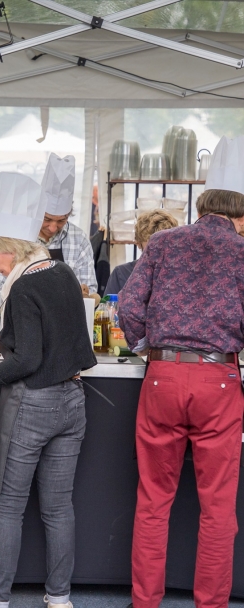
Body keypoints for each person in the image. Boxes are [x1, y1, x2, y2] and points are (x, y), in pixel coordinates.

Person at [0, 172, 97, 608]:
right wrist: (4, 339)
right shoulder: (62, 272)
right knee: (58, 508)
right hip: (73, 403)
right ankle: (60, 598)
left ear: (10, 247)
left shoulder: (24, 285)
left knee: (8, 507)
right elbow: (57, 338)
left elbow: (29, 360)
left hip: (32, 404)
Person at [119, 135, 244, 608]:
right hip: (218, 381)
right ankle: (210, 604)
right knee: (217, 508)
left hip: (162, 377)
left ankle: (144, 602)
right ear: (241, 215)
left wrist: (150, 348)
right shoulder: (242, 253)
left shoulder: (164, 242)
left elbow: (129, 307)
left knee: (153, 501)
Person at [38, 153, 99, 303]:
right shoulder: (19, 236)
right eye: (47, 219)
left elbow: (90, 288)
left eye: (61, 220)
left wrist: (85, 295)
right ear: (36, 210)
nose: (53, 228)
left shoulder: (79, 239)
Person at [104, 209, 177, 295]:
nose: (158, 251)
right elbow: (108, 307)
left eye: (163, 244)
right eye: (151, 246)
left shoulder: (181, 275)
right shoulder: (121, 274)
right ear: (138, 243)